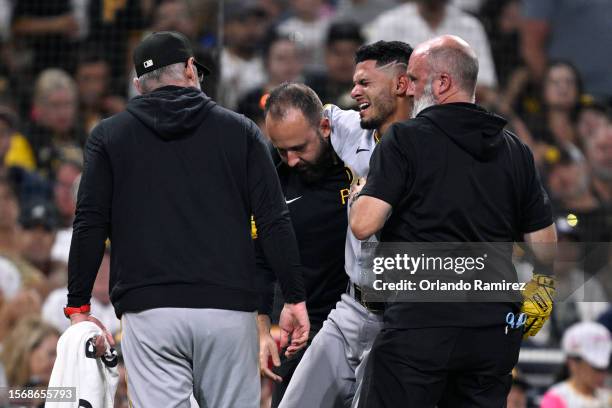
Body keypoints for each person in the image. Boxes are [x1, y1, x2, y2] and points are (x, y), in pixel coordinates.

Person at [64, 31, 309, 408]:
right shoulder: (240, 131)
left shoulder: (108, 136)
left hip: (150, 311)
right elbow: (274, 220)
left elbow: (89, 224)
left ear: (137, 85)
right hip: (228, 312)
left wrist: (78, 305)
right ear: (191, 69)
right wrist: (294, 295)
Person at [350, 35, 557, 407]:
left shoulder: (404, 139)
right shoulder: (517, 150)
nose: (407, 90)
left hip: (421, 324)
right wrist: (543, 287)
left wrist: (364, 191)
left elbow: (364, 225)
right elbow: (544, 244)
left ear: (442, 83)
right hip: (494, 329)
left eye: (413, 79)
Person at [278, 40, 413, 408]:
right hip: (351, 308)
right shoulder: (351, 127)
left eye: (365, 83)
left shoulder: (431, 148)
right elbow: (311, 114)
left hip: (401, 319)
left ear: (401, 84)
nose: (354, 91)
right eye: (355, 83)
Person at [257, 82, 351, 407]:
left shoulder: (358, 151)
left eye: (299, 147)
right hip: (300, 326)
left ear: (324, 127)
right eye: (283, 150)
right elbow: (257, 256)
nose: (292, 160)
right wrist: (260, 327)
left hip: (365, 319)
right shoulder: (268, 170)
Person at [540, 321, 612, 407]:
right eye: (596, 368)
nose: (602, 375)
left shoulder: (607, 397)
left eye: (605, 368)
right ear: (572, 363)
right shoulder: (557, 398)